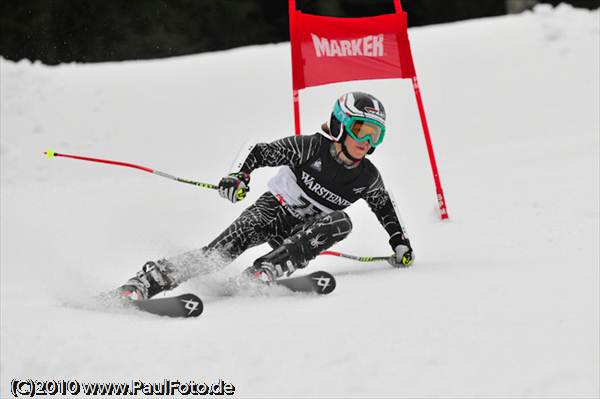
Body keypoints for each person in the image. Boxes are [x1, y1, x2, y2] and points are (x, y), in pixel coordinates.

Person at [118, 92, 414, 300]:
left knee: (342, 222)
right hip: (271, 212)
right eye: (361, 129)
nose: (366, 141)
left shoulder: (368, 177)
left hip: (302, 234)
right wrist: (238, 176)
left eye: (375, 135)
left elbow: (384, 206)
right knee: (215, 256)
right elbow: (259, 152)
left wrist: (400, 243)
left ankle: (267, 268)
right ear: (340, 124)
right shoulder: (310, 148)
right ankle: (144, 283)